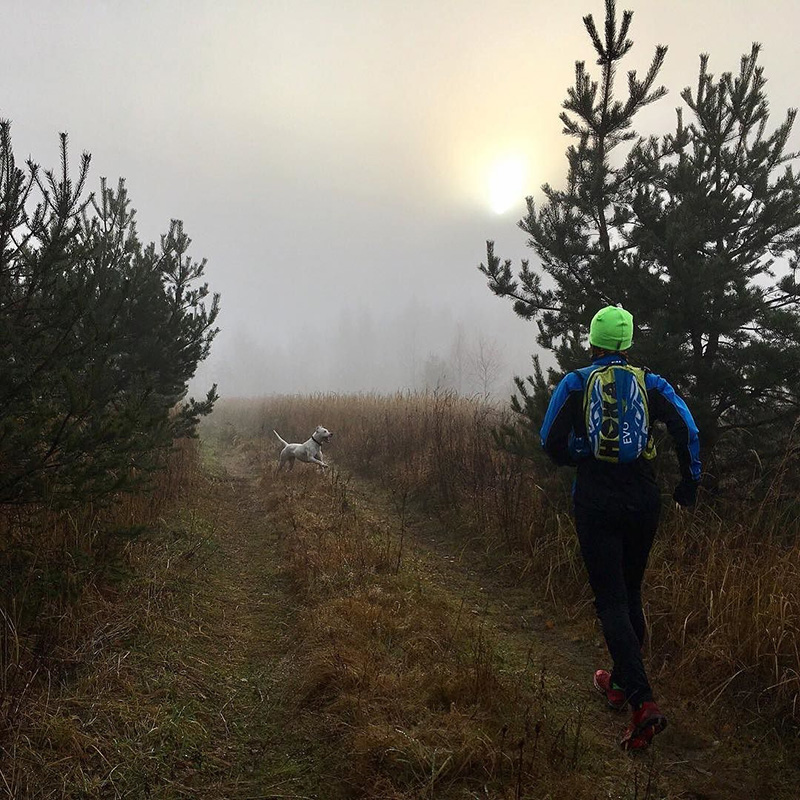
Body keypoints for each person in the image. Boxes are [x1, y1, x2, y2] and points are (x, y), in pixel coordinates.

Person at [540, 305, 700, 750]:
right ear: (628, 344)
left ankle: (642, 703)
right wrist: (689, 483)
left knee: (610, 600)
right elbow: (687, 427)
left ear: (592, 342)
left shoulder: (575, 382)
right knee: (630, 593)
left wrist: (580, 454)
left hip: (595, 500)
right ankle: (618, 681)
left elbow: (549, 441)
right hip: (643, 499)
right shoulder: (652, 383)